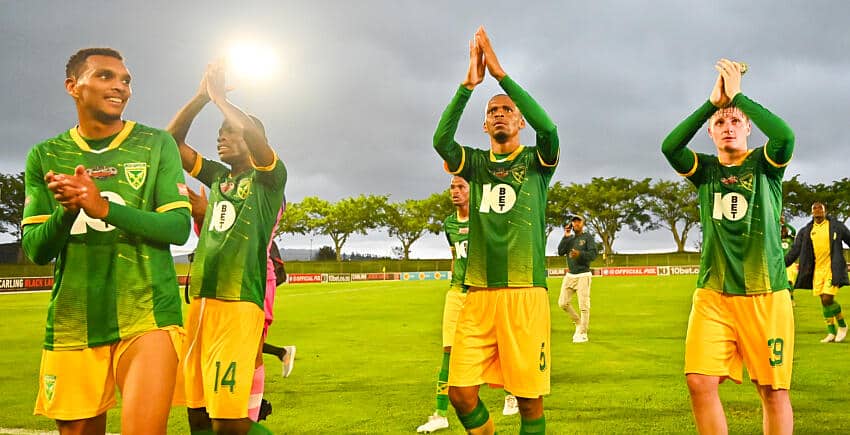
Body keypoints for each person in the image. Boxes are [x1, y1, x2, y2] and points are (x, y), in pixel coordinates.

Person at [22, 47, 191, 434]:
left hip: (148, 313)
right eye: (104, 76)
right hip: (73, 319)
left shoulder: (155, 144)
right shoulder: (46, 155)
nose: (120, 87)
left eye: (125, 80)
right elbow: (36, 249)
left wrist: (103, 208)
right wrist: (68, 211)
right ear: (73, 86)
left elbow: (178, 228)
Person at [433, 26, 558, 435]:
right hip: (478, 295)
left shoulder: (539, 162)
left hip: (525, 294)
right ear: (484, 126)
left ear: (519, 120)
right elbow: (440, 140)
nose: (499, 113)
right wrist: (469, 86)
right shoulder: (473, 163)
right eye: (492, 112)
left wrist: (501, 75)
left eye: (506, 110)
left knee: (527, 398)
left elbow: (550, 130)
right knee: (460, 392)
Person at [661, 59, 795, 434]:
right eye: (720, 123)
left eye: (735, 120)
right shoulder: (706, 172)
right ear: (710, 133)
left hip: (765, 295)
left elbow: (784, 136)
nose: (728, 126)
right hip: (714, 294)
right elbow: (670, 146)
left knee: (772, 391)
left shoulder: (766, 166)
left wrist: (738, 97)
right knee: (699, 381)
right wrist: (712, 102)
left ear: (749, 127)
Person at [167, 60, 285, 435]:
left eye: (228, 132)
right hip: (200, 303)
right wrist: (201, 97)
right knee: (198, 417)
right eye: (220, 133)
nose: (220, 138)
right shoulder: (218, 177)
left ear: (250, 141)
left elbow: (253, 133)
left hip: (238, 305)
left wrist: (221, 99)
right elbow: (172, 143)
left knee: (228, 423)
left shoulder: (269, 182)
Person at [416, 176, 518, 434]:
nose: (455, 191)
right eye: (452, 187)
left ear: (473, 191)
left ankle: (511, 394)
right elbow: (455, 257)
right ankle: (440, 414)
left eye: (461, 186)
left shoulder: (483, 219)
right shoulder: (449, 223)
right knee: (448, 352)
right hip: (456, 293)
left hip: (483, 293)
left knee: (501, 347)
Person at [184, 186, 295, 421]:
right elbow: (212, 234)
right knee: (218, 352)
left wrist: (210, 209)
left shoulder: (269, 184)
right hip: (219, 284)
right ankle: (234, 411)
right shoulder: (225, 185)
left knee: (250, 350)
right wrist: (202, 216)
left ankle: (250, 414)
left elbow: (255, 231)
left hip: (254, 279)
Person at [785, 202, 850, 343]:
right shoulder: (806, 231)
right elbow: (795, 250)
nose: (817, 210)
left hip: (833, 269)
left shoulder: (836, 227)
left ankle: (843, 326)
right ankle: (831, 332)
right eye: (814, 208)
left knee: (827, 298)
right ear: (812, 212)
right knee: (823, 301)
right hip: (816, 270)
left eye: (820, 208)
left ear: (825, 211)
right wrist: (783, 264)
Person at [557, 215, 598, 343]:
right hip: (570, 275)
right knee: (563, 303)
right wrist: (566, 235)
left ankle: (583, 333)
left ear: (583, 223)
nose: (576, 224)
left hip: (583, 275)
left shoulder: (587, 238)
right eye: (574, 222)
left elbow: (593, 254)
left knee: (584, 306)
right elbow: (560, 251)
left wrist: (579, 254)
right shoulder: (570, 239)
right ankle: (578, 322)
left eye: (578, 221)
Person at [779, 215, 798, 303]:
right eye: (782, 230)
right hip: (780, 263)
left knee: (790, 281)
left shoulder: (790, 238)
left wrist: (784, 223)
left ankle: (792, 297)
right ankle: (785, 299)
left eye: (785, 230)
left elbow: (794, 230)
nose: (784, 232)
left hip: (790, 263)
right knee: (782, 282)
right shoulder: (777, 239)